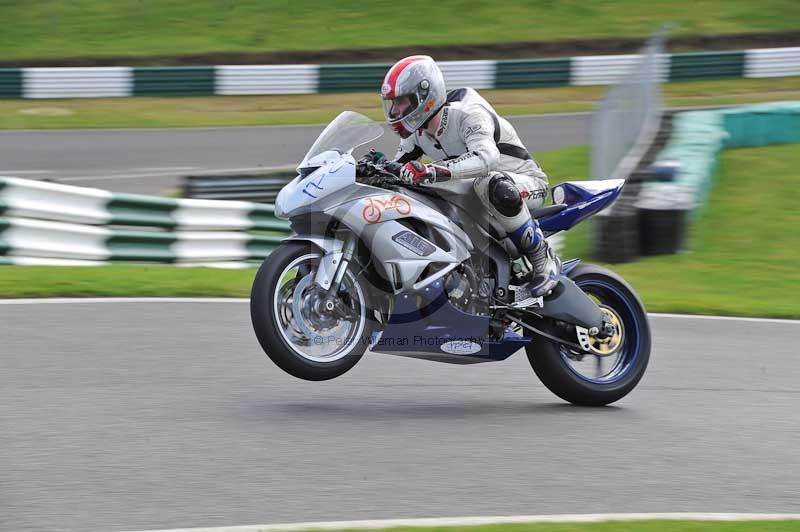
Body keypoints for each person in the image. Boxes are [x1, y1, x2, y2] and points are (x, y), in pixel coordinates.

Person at [381, 55, 560, 297]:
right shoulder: (417, 131)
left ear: (424, 96)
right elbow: (397, 168)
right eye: (392, 103)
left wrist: (432, 171)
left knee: (490, 184)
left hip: (524, 183)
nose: (394, 110)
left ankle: (543, 258)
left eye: (401, 102)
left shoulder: (468, 112)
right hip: (476, 193)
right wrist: (371, 166)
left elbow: (487, 159)